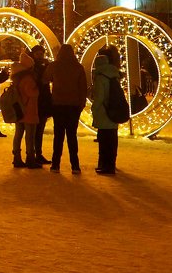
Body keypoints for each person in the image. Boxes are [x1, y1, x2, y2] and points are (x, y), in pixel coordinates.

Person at [45, 43, 88, 173]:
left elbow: (45, 79)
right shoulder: (78, 67)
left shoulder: (54, 66)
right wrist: (81, 104)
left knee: (58, 135)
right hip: (73, 105)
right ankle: (75, 165)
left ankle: (55, 164)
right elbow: (83, 87)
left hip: (58, 104)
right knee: (72, 135)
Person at [90, 44, 122, 175]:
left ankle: (105, 165)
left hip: (103, 113)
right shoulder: (115, 75)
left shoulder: (100, 77)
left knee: (104, 141)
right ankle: (111, 164)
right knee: (112, 140)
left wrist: (94, 108)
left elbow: (99, 97)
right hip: (113, 111)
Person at [10, 50, 40, 168]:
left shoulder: (17, 78)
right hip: (29, 110)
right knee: (30, 135)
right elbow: (32, 93)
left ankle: (16, 157)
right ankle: (30, 158)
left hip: (19, 109)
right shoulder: (28, 78)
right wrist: (37, 89)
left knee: (18, 134)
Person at [28, 44, 54, 166]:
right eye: (37, 54)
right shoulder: (32, 67)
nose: (40, 56)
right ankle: (32, 154)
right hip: (34, 101)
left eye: (41, 54)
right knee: (34, 130)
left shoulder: (45, 66)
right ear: (33, 55)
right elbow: (38, 81)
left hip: (43, 101)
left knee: (39, 130)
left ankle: (38, 153)